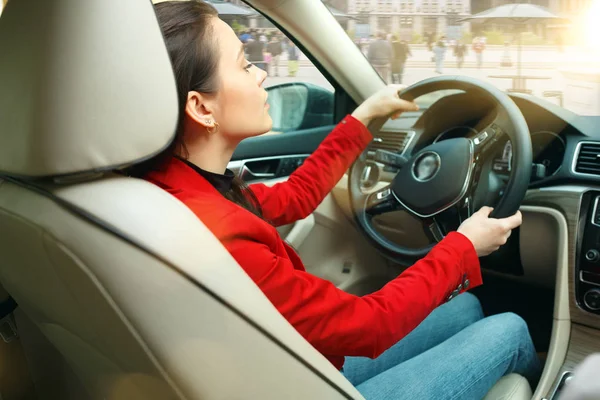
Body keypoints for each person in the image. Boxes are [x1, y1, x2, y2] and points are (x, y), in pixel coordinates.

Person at [135, 2, 542, 399]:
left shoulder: (181, 190)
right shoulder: (219, 233)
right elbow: (370, 324)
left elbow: (293, 197)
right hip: (295, 381)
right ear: (201, 107)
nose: (261, 74)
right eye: (244, 64)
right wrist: (464, 246)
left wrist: (362, 119)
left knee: (467, 307)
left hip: (287, 369)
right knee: (510, 328)